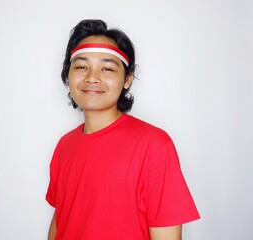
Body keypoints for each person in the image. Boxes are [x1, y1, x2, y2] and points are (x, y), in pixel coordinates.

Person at [46, 19, 200, 240]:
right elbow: (61, 219)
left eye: (107, 68)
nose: (91, 77)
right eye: (81, 66)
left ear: (127, 78)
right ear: (67, 74)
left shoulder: (153, 145)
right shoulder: (65, 145)